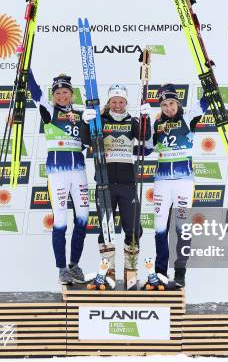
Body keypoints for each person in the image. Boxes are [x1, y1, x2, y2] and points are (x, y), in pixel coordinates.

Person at [81, 84, 151, 281]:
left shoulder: (132, 121)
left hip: (128, 183)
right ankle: (108, 271)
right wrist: (86, 122)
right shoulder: (100, 120)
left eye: (121, 101)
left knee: (134, 228)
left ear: (126, 102)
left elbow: (145, 137)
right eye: (114, 101)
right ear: (109, 102)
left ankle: (131, 271)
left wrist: (146, 119)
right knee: (106, 228)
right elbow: (87, 141)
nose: (118, 105)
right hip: (106, 182)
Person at [145, 84, 209, 287]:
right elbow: (145, 150)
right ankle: (160, 272)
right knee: (159, 227)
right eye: (164, 104)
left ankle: (180, 271)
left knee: (182, 227)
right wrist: (144, 125)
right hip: (162, 182)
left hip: (183, 182)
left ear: (177, 102)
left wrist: (209, 79)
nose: (168, 108)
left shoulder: (188, 116)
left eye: (171, 103)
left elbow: (206, 102)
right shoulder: (156, 123)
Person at [28, 71, 88, 285]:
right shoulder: (49, 111)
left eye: (65, 92)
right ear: (53, 96)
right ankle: (62, 268)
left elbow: (88, 143)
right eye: (58, 93)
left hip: (79, 171)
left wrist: (87, 125)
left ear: (71, 95)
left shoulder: (82, 115)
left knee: (83, 218)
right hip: (58, 173)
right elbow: (34, 91)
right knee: (60, 221)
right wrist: (25, 66)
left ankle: (74, 264)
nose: (62, 96)